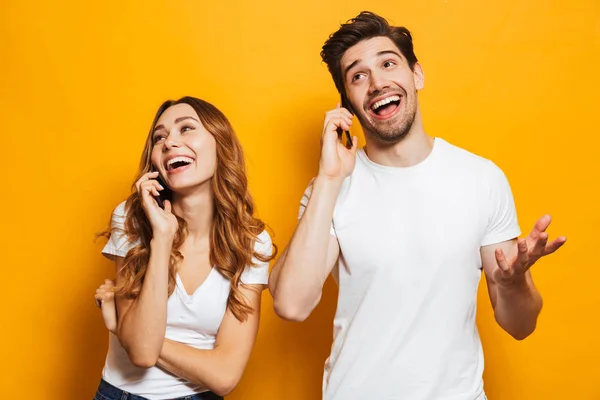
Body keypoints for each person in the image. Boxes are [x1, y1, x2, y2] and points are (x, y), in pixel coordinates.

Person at [268, 11, 566, 400]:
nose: (376, 83)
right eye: (358, 76)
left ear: (417, 76)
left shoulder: (481, 178)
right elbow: (291, 303)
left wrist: (513, 285)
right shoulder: (334, 184)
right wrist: (328, 180)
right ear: (349, 105)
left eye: (388, 64)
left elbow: (520, 325)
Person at [93, 96, 275, 400]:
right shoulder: (132, 218)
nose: (169, 142)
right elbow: (141, 355)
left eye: (186, 129)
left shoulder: (250, 241)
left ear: (220, 144)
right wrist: (162, 237)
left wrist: (124, 330)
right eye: (159, 137)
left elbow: (224, 375)